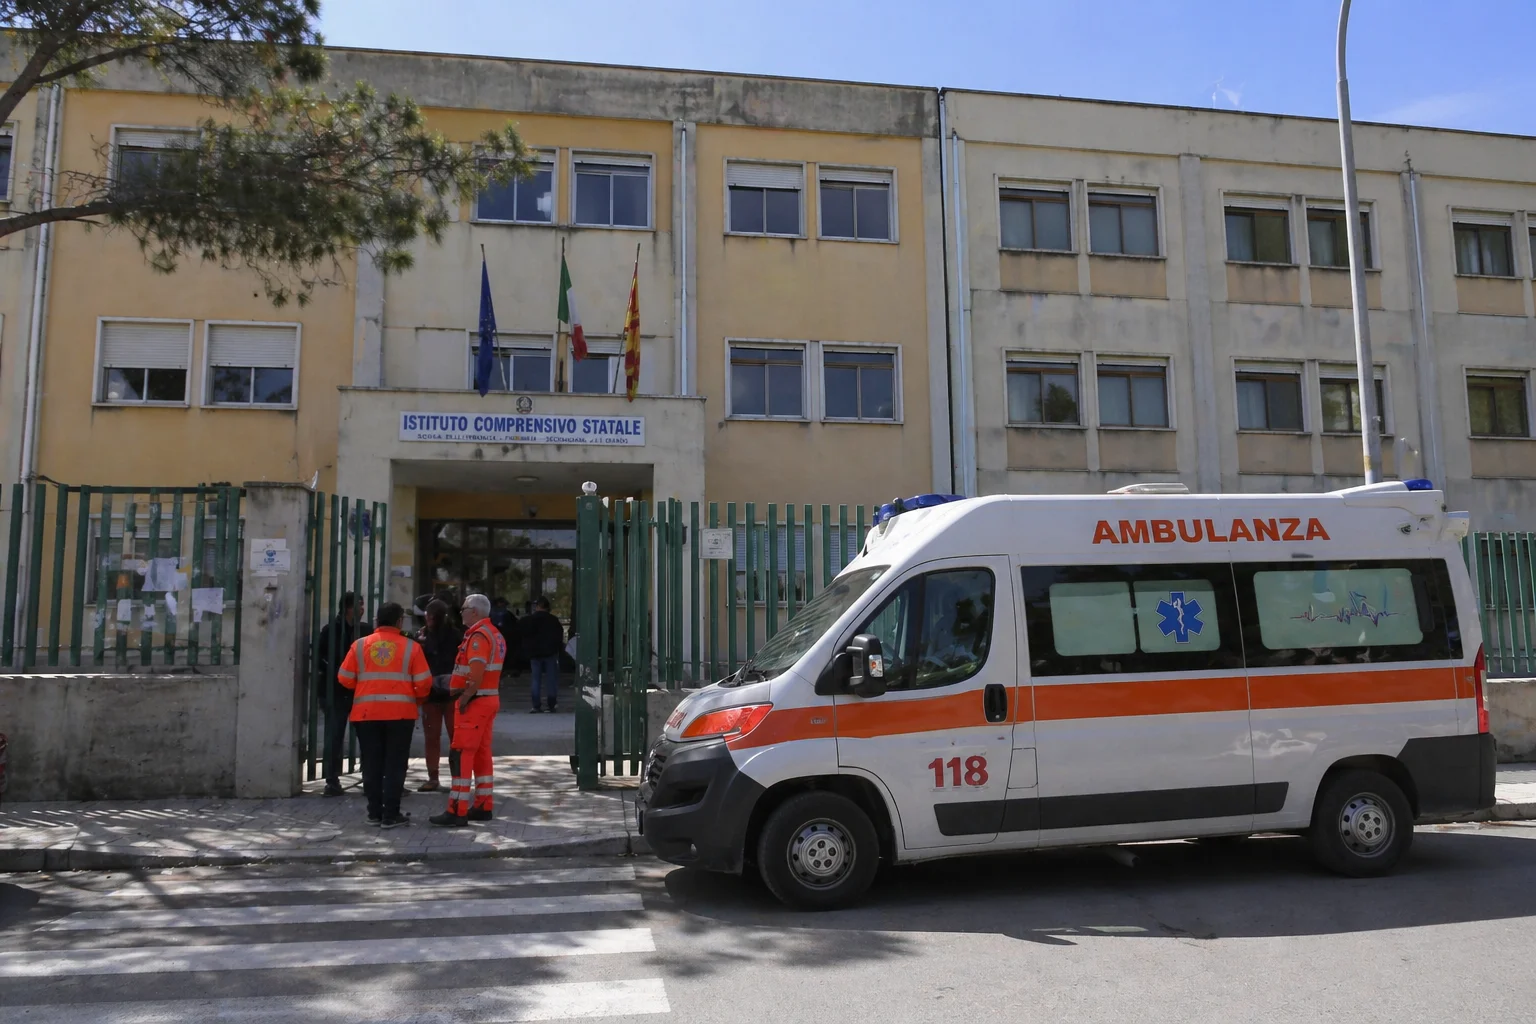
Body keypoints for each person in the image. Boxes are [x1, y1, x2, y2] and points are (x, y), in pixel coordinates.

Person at [336, 602, 432, 828]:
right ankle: (391, 814)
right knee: (395, 765)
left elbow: (344, 677)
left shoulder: (359, 646)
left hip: (366, 714)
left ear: (377, 621)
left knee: (371, 764)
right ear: (399, 622)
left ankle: (374, 813)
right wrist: (415, 699)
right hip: (401, 715)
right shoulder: (411, 647)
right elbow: (424, 683)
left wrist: (365, 687)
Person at [430, 592, 505, 828]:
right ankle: (483, 805)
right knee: (482, 754)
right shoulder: (494, 634)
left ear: (474, 611)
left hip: (475, 702)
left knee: (461, 754)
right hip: (487, 700)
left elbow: (476, 671)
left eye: (463, 608)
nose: (460, 612)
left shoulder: (478, 636)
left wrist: (464, 697)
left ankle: (456, 810)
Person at [415, 599, 462, 793]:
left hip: (434, 694)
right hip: (448, 694)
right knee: (454, 738)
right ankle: (457, 778)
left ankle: (435, 777)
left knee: (435, 738)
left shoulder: (427, 637)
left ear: (432, 616)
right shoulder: (456, 636)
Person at [316, 593, 359, 797]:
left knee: (367, 737)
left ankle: (369, 777)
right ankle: (331, 780)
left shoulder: (363, 630)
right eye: (358, 605)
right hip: (334, 690)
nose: (361, 609)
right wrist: (337, 673)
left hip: (358, 690)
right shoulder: (330, 630)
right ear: (347, 608)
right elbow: (319, 658)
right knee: (334, 736)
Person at [521, 596, 566, 713]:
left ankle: (536, 705)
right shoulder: (553, 621)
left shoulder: (529, 620)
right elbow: (558, 636)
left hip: (535, 654)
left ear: (538, 607)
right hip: (550, 653)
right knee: (551, 679)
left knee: (536, 679)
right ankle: (551, 704)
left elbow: (523, 635)